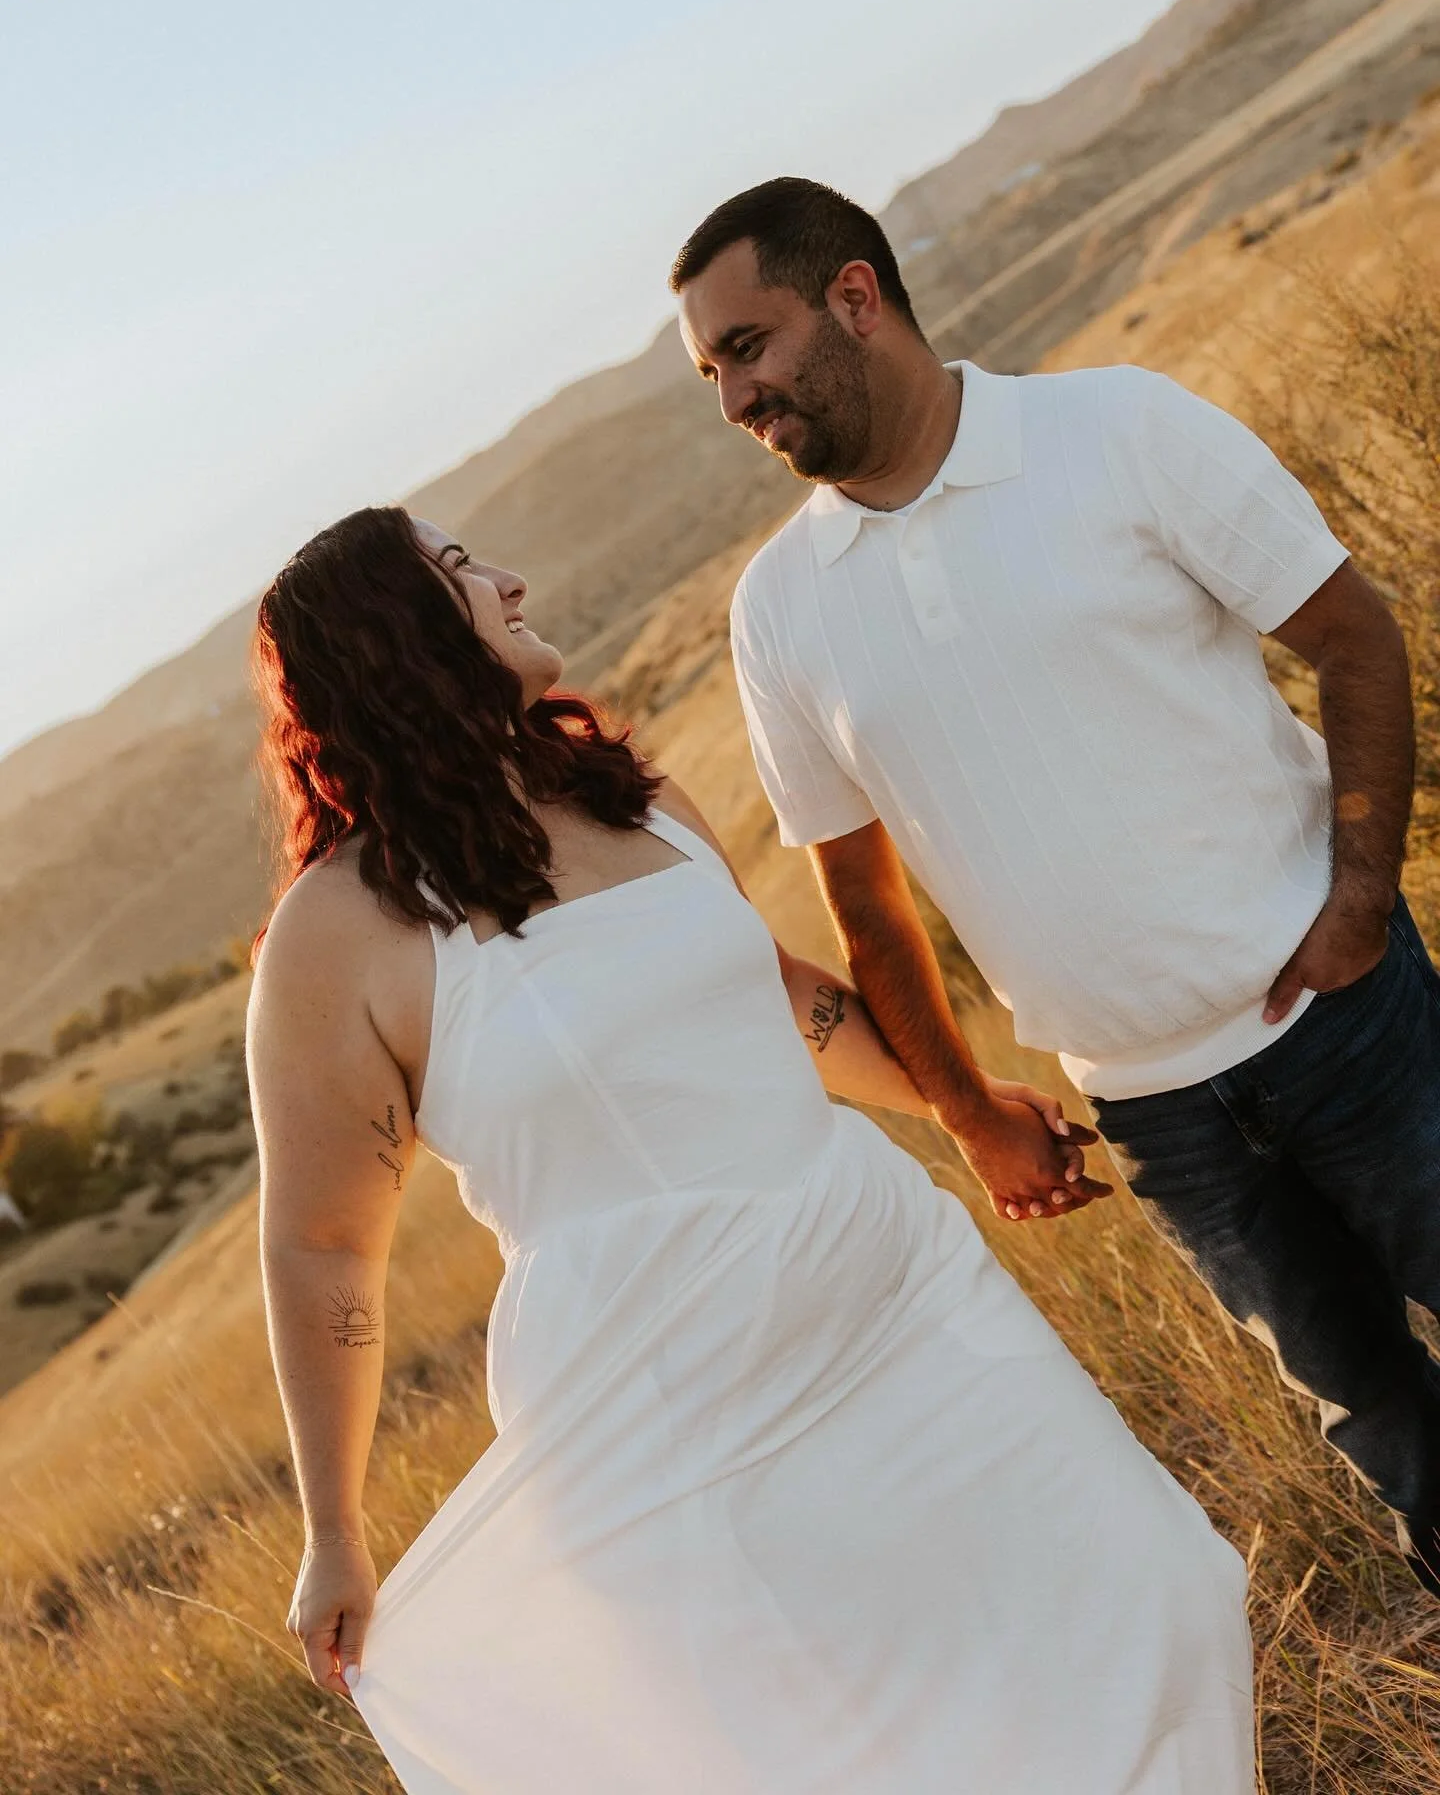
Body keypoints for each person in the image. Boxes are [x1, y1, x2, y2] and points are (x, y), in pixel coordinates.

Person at [249, 505, 1254, 1794]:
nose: (507, 576)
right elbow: (325, 1245)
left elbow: (779, 997)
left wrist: (962, 1111)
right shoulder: (339, 929)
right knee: (864, 1745)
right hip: (669, 1399)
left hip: (883, 1286)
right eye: (458, 573)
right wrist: (334, 1529)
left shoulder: (636, 798)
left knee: (1141, 1586)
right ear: (394, 643)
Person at [670, 174, 1440, 1596]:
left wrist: (1355, 899)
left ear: (854, 296)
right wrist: (966, 1109)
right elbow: (867, 904)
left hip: (1353, 1029)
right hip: (1160, 1121)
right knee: (1384, 1429)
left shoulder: (1118, 431)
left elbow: (1355, 637)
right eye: (713, 370)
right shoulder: (780, 611)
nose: (734, 399)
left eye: (747, 347)